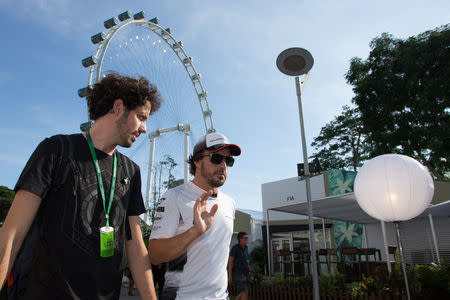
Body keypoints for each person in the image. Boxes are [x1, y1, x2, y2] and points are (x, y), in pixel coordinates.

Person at [0, 73, 161, 299]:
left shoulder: (131, 171)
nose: (144, 128)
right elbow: (12, 235)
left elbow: (135, 247)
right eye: (141, 117)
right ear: (118, 107)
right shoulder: (55, 151)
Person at [148, 132, 241, 299]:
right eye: (216, 158)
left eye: (228, 160)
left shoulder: (229, 203)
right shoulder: (174, 197)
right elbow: (155, 255)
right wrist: (195, 231)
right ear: (197, 161)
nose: (223, 165)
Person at [228, 232, 251, 300]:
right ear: (240, 239)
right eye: (245, 238)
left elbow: (247, 259)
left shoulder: (246, 248)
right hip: (238, 273)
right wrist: (230, 276)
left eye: (247, 238)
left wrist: (249, 266)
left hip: (246, 273)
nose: (247, 239)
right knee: (244, 290)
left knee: (245, 291)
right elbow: (230, 262)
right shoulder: (235, 248)